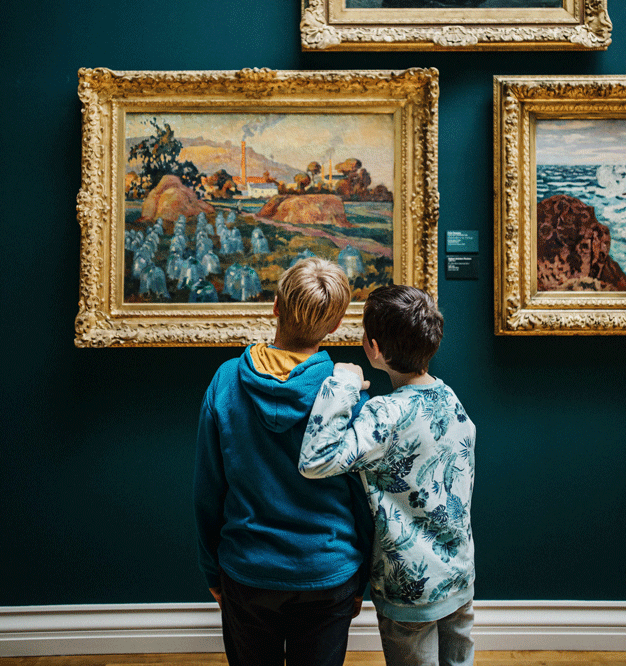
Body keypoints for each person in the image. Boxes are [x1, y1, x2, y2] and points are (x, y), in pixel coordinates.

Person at [193, 257, 373, 666]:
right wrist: (362, 578)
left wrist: (212, 571)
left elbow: (208, 490)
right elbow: (365, 500)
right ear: (334, 325)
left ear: (275, 305)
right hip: (328, 571)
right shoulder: (349, 396)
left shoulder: (225, 383)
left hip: (247, 571)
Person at [299, 285, 476, 666]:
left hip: (408, 586)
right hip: (459, 576)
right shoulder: (450, 398)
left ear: (374, 348)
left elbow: (315, 460)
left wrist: (342, 383)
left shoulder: (384, 415)